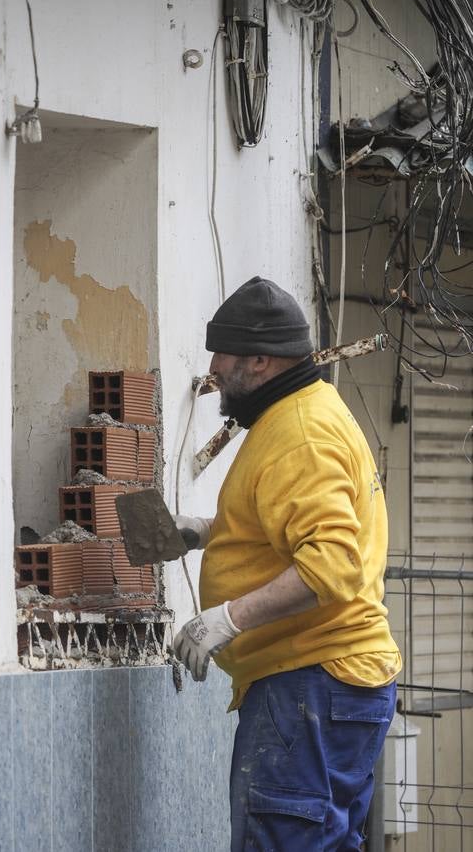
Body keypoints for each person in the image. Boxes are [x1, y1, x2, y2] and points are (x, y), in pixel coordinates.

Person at [173, 276, 401, 852]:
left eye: (222, 355)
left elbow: (330, 565)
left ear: (259, 359)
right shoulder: (306, 412)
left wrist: (228, 619)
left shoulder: (298, 431)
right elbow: (293, 532)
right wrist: (205, 533)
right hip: (328, 684)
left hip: (310, 682)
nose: (214, 370)